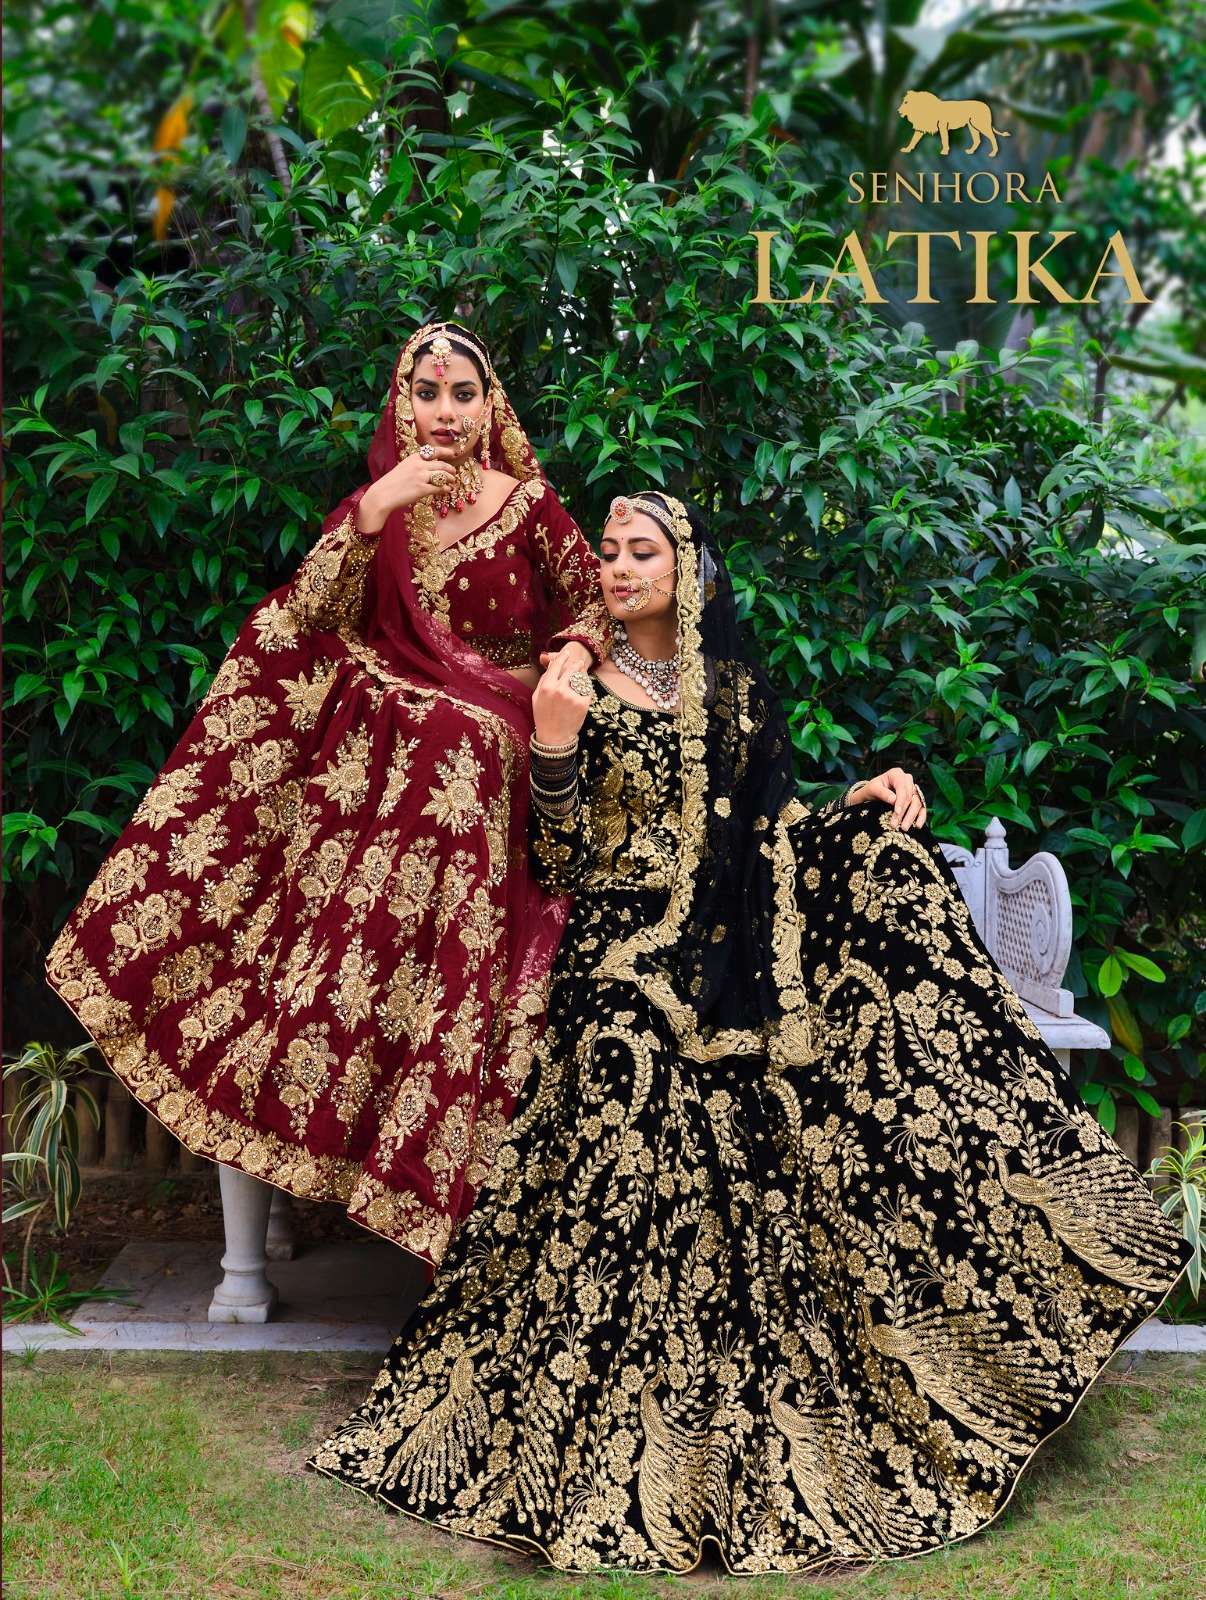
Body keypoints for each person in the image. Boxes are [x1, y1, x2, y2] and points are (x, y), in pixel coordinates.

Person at [305, 492, 1191, 1575]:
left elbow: (769, 834)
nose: (621, 567)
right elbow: (563, 861)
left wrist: (856, 804)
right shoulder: (571, 683)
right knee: (631, 1066)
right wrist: (555, 744)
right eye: (610, 552)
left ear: (686, 572)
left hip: (735, 954)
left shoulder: (731, 691)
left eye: (643, 552)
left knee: (884, 897)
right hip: (624, 955)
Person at [43, 321, 611, 1273]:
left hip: (489, 742)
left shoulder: (530, 505)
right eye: (426, 393)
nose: (444, 412)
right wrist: (376, 509)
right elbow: (307, 616)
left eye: (463, 393)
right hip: (383, 760)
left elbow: (592, 600)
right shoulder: (377, 503)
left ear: (491, 406)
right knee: (401, 755)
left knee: (463, 740)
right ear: (403, 404)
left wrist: (574, 655)